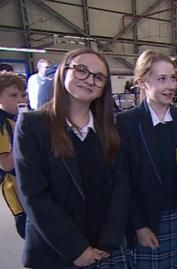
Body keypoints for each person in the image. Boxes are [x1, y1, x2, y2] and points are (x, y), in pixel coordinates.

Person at [14, 48, 130, 269]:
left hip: (104, 248)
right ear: (63, 72)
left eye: (99, 77)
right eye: (81, 70)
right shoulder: (32, 126)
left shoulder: (109, 130)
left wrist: (109, 240)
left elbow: (121, 187)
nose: (89, 80)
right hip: (57, 249)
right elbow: (33, 194)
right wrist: (76, 249)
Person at [116, 49, 177, 269]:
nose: (171, 86)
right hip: (146, 220)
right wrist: (139, 226)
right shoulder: (125, 123)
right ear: (143, 81)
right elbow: (122, 181)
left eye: (173, 78)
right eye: (162, 79)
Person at [0, 72, 28, 239]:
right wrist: (20, 131)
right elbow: (6, 164)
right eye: (13, 95)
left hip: (33, 185)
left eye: (23, 94)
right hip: (16, 189)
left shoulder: (22, 117)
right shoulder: (3, 124)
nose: (20, 99)